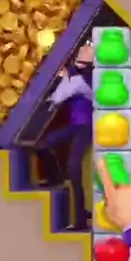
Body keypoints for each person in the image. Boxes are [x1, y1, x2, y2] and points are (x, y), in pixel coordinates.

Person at [37, 40, 94, 230]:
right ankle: (56, 177)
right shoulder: (74, 75)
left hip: (87, 127)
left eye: (89, 48)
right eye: (84, 47)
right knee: (44, 144)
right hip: (75, 125)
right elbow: (59, 94)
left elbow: (67, 90)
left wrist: (64, 76)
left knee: (74, 167)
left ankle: (80, 219)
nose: (84, 49)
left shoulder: (86, 78)